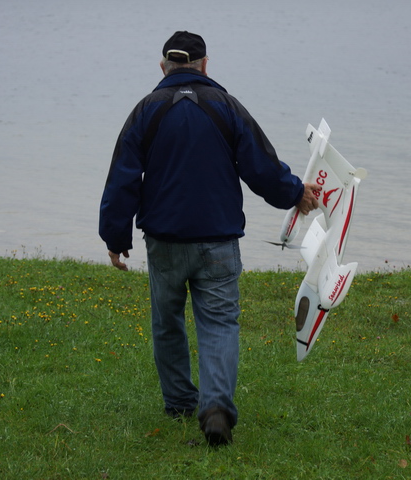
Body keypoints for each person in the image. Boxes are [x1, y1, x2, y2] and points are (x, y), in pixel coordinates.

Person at [99, 31, 321, 446]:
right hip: (218, 240)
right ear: (205, 64)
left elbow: (123, 177)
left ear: (163, 67)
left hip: (164, 240)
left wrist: (115, 235)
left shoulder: (146, 110)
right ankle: (216, 407)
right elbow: (261, 166)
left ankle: (181, 402)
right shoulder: (226, 107)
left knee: (167, 321)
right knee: (219, 323)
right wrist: (294, 193)